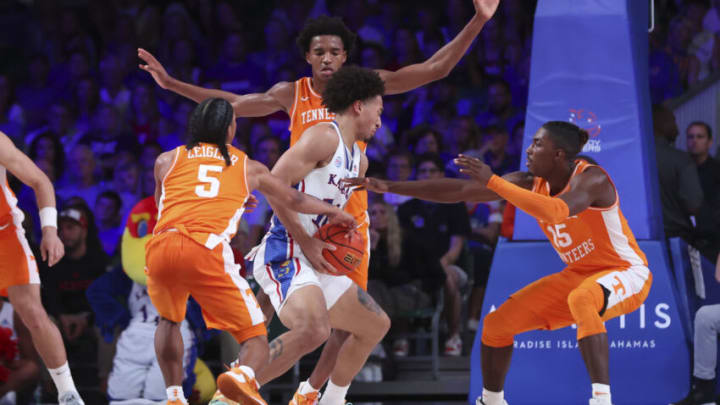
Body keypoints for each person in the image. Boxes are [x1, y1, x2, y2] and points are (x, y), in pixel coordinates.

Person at [139, 3, 500, 399]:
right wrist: (173, 84)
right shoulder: (293, 96)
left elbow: (434, 69)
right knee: (290, 316)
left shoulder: (364, 92)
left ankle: (310, 393)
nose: (327, 58)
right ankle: (242, 379)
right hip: (295, 209)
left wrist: (479, 20)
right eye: (319, 52)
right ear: (308, 56)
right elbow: (234, 105)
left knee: (353, 324)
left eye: (334, 52)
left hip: (346, 215)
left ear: (345, 56)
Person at [344, 121, 653, 405]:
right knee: (496, 325)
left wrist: (494, 181)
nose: (528, 150)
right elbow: (461, 191)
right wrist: (389, 187)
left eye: (536, 144)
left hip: (625, 271)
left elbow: (558, 211)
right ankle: (492, 401)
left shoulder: (592, 178)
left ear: (558, 154)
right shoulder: (528, 181)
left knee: (583, 298)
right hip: (578, 275)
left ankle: (601, 400)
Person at [145, 98, 355, 405]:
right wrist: (333, 212)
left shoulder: (165, 160)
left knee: (169, 321)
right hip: (204, 248)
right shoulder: (248, 167)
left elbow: (168, 203)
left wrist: (231, 199)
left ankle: (174, 397)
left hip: (162, 246)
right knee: (255, 336)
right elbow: (292, 200)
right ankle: (241, 381)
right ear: (230, 129)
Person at [240, 66, 389, 405]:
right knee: (314, 330)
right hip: (286, 249)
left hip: (316, 257)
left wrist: (346, 231)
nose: (380, 122)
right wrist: (306, 239)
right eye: (378, 111)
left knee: (375, 324)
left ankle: (329, 400)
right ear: (357, 106)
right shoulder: (324, 136)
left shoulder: (360, 163)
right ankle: (236, 386)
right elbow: (273, 183)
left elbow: (328, 211)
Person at [0, 131, 84, 404]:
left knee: (33, 313)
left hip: (5, 235)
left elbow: (40, 180)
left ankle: (67, 393)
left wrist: (50, 231)